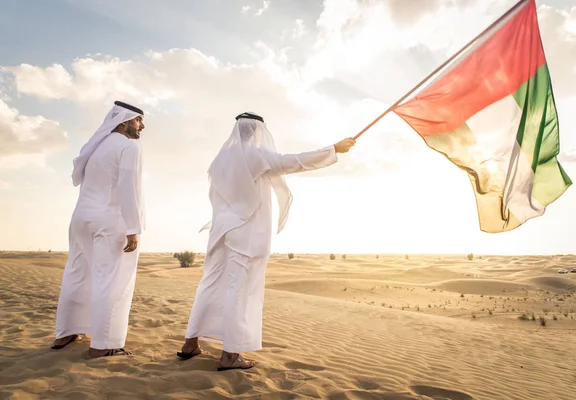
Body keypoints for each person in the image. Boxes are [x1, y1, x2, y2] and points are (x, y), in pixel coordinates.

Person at [177, 111, 355, 371]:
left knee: (210, 285)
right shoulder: (253, 154)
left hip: (221, 231)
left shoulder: (220, 159)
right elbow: (292, 162)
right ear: (257, 131)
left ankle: (189, 344)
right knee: (240, 290)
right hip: (246, 232)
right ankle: (230, 356)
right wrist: (333, 149)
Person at [52, 101, 146, 359]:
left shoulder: (96, 146)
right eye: (139, 120)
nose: (142, 126)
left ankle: (66, 332)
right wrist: (133, 227)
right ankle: (103, 344)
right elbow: (128, 187)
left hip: (81, 218)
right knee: (110, 279)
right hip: (110, 219)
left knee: (77, 273)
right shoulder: (128, 147)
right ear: (125, 121)